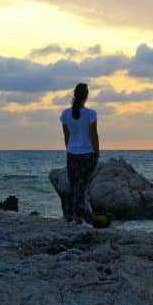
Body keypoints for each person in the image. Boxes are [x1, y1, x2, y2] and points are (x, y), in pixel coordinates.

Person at [60, 83, 99, 224]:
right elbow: (93, 135)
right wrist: (97, 152)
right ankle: (79, 216)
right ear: (86, 96)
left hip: (72, 153)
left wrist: (70, 149)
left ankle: (77, 214)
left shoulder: (65, 114)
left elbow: (67, 136)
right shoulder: (91, 114)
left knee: (74, 185)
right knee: (82, 186)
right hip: (87, 153)